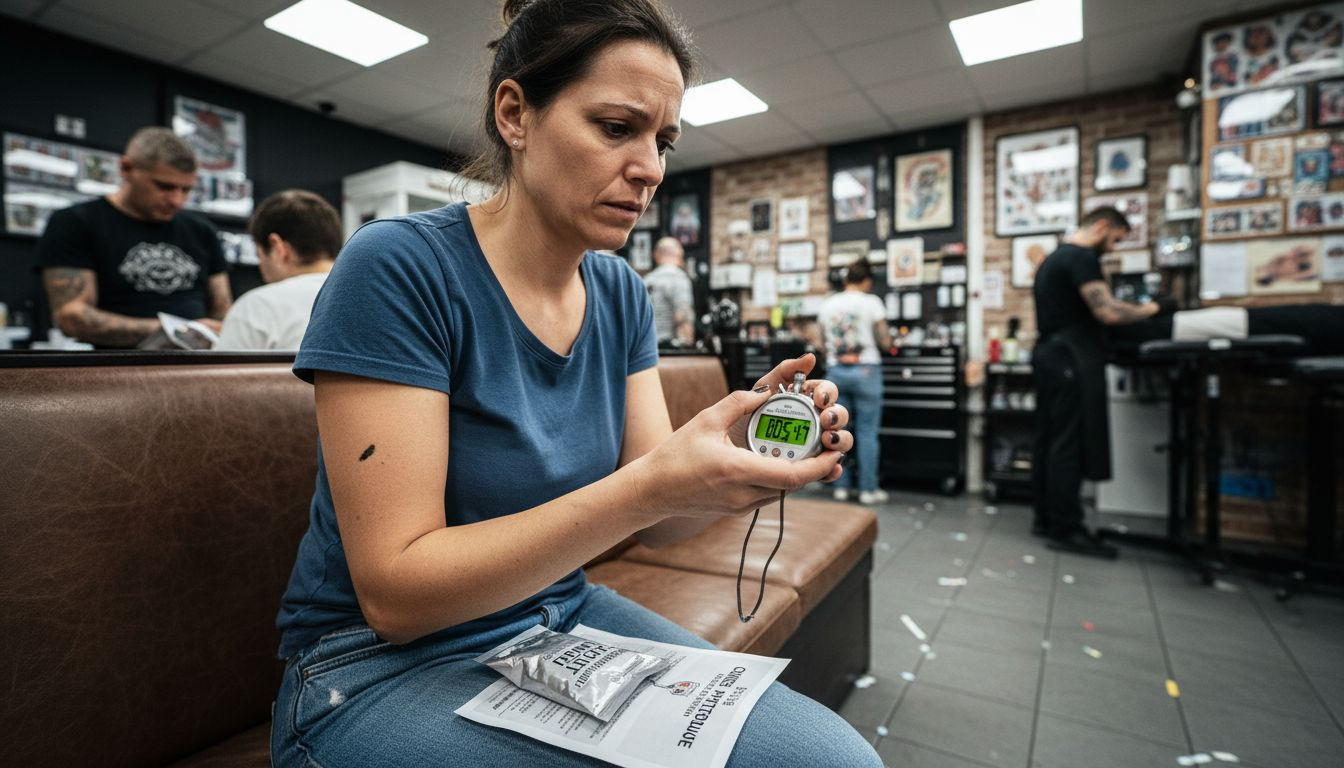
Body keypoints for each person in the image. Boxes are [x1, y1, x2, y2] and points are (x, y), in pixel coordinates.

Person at [269, 2, 882, 767]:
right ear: (516, 113)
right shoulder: (397, 267)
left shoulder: (620, 293)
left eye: (662, 140)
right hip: (372, 665)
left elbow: (657, 518)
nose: (651, 168)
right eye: (617, 128)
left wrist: (730, 474)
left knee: (834, 761)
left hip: (555, 614)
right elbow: (397, 596)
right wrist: (656, 486)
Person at [1031, 206, 1171, 558]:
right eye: (1116, 240)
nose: (1113, 248)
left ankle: (1047, 518)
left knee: (1050, 439)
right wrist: (1153, 309)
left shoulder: (1052, 260)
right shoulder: (1080, 258)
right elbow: (1106, 310)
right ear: (1103, 226)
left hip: (1049, 355)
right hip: (1069, 358)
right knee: (1068, 443)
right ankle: (1066, 528)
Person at [36, 126, 231, 348]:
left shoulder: (202, 231)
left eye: (186, 190)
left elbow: (222, 311)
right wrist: (177, 331)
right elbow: (72, 317)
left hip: (199, 368)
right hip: (118, 370)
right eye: (164, 186)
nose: (177, 200)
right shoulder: (76, 222)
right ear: (126, 168)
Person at [215, 190, 340, 350]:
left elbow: (226, 374)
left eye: (259, 255)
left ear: (278, 247)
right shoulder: (371, 297)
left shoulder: (256, 306)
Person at [819, 258, 893, 506]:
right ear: (866, 281)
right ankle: (868, 490)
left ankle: (840, 486)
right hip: (866, 371)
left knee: (838, 429)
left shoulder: (828, 304)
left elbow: (821, 342)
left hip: (836, 371)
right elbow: (884, 339)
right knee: (867, 432)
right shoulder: (871, 302)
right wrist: (892, 344)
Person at [642, 235, 694, 345]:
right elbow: (682, 317)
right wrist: (688, 348)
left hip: (646, 347)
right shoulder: (679, 278)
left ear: (656, 255)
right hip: (668, 348)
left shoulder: (647, 280)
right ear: (679, 255)